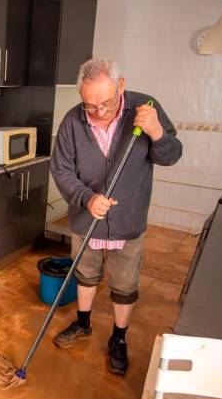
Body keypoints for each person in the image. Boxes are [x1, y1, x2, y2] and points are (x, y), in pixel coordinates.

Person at [50, 58, 182, 375]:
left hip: (127, 220)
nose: (97, 112)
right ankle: (83, 324)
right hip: (86, 218)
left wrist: (157, 133)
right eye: (89, 105)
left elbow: (172, 155)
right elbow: (62, 170)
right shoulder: (72, 121)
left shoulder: (146, 109)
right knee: (85, 274)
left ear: (121, 86)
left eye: (105, 104)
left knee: (124, 284)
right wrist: (87, 197)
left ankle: (118, 339)